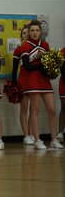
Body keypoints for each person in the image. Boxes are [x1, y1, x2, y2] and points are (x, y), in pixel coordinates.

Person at [17, 20, 63, 149]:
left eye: (37, 30)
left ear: (40, 32)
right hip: (32, 82)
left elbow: (48, 65)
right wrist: (39, 63)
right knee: (35, 110)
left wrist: (51, 71)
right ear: (29, 32)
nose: (35, 33)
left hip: (45, 81)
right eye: (32, 30)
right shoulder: (25, 46)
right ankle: (37, 140)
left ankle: (54, 139)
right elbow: (27, 66)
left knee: (52, 110)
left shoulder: (45, 45)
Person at [12, 25, 34, 145]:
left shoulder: (34, 48)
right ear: (21, 36)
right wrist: (14, 83)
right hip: (23, 81)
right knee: (24, 109)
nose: (26, 35)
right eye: (24, 33)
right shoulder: (19, 49)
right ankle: (26, 135)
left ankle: (31, 133)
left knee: (33, 109)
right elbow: (15, 68)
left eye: (27, 33)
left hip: (34, 81)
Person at [58, 48, 65, 142]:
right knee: (64, 107)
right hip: (64, 82)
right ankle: (60, 132)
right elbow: (62, 70)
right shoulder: (63, 52)